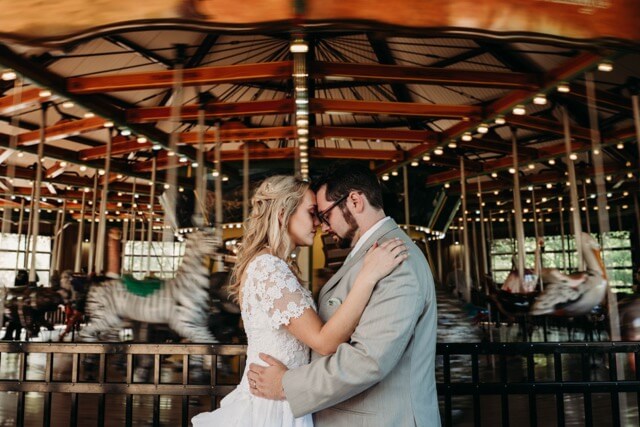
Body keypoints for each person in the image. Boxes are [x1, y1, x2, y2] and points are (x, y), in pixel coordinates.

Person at [191, 175, 407, 427]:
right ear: (283, 214)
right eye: (312, 213)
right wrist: (367, 277)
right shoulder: (268, 267)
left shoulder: (276, 265)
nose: (318, 223)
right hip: (272, 404)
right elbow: (323, 341)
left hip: (284, 396)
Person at [248, 162, 441, 426]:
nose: (322, 226)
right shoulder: (372, 254)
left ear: (354, 201)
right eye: (315, 215)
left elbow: (368, 359)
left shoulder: (395, 260)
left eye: (325, 214)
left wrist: (286, 385)